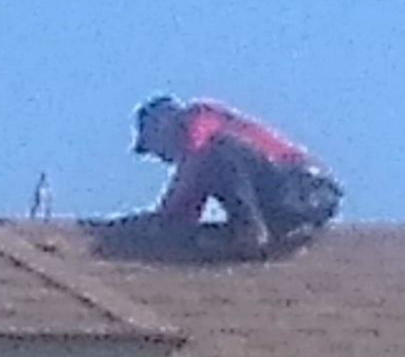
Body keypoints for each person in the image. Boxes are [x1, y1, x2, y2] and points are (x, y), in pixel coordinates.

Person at [132, 95, 331, 257]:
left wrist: (162, 216)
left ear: (161, 125)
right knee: (209, 163)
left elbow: (194, 164)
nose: (158, 155)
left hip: (302, 190)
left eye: (152, 144)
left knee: (219, 149)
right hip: (287, 204)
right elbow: (185, 206)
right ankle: (261, 234)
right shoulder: (200, 163)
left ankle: (249, 231)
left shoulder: (197, 118)